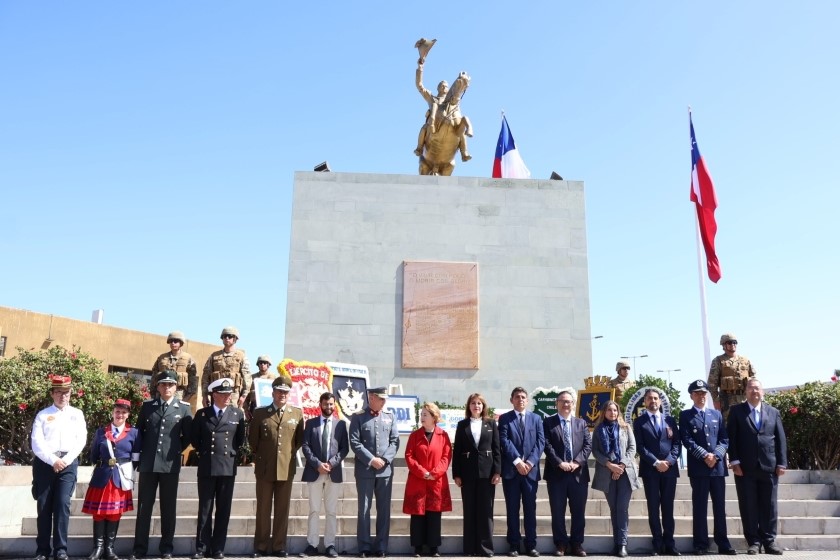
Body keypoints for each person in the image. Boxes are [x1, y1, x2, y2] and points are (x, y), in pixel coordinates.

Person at [131, 370, 193, 560]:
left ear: (176, 387)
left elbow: (187, 437)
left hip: (169, 465)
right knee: (144, 508)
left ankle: (166, 547)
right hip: (148, 464)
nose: (167, 387)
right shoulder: (148, 406)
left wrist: (173, 452)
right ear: (157, 387)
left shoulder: (183, 408)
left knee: (168, 508)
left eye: (171, 384)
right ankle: (139, 548)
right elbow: (139, 432)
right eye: (163, 384)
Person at [727, 378, 787, 555]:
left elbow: (780, 438)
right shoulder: (736, 411)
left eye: (757, 389)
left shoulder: (773, 412)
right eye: (751, 388)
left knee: (769, 506)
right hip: (745, 468)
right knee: (748, 505)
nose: (754, 391)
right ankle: (753, 541)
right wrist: (735, 461)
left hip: (769, 466)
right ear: (746, 392)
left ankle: (769, 541)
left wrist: (782, 462)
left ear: (763, 392)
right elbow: (732, 438)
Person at [30, 375, 87, 560]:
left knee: (63, 505)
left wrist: (66, 460)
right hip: (45, 465)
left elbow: (81, 440)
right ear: (52, 394)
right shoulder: (43, 415)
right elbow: (37, 443)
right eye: (59, 392)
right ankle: (42, 550)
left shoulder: (77, 414)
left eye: (67, 392)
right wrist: (53, 460)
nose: (63, 396)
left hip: (68, 464)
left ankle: (61, 549)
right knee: (44, 507)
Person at [190, 378, 246, 559]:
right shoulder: (202, 414)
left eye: (229, 394)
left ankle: (218, 548)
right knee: (205, 509)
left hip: (227, 467)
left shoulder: (237, 414)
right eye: (224, 394)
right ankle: (202, 548)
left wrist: (229, 454)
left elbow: (239, 440)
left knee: (224, 509)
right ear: (215, 395)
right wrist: (205, 453)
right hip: (207, 466)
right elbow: (195, 439)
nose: (228, 397)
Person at [679, 379, 736, 556]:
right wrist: (705, 455)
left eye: (703, 393)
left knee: (720, 507)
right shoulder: (686, 415)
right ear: (691, 396)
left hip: (717, 468)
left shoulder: (716, 415)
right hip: (699, 468)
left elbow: (724, 439)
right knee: (700, 507)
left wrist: (716, 455)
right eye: (697, 393)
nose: (701, 396)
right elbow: (686, 440)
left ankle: (723, 543)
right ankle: (700, 544)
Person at [249, 376, 304, 558]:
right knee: (263, 509)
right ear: (272, 393)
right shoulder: (260, 413)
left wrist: (284, 456)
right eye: (279, 391)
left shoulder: (297, 414)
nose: (282, 395)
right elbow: (253, 441)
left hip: (286, 468)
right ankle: (261, 546)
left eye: (285, 392)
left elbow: (298, 442)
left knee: (282, 509)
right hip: (265, 469)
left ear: (289, 394)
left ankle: (279, 545)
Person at [82, 398, 140, 560]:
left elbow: (136, 457)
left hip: (120, 477)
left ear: (128, 415)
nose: (119, 415)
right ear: (112, 413)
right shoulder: (101, 432)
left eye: (123, 412)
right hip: (102, 476)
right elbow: (94, 455)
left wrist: (128, 471)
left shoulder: (134, 433)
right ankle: (98, 548)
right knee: (99, 514)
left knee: (115, 514)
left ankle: (109, 549)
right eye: (117, 411)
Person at [349, 386, 400, 558]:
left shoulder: (390, 416)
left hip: (385, 471)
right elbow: (355, 442)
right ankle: (363, 546)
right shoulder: (358, 417)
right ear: (371, 397)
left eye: (385, 399)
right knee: (364, 509)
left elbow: (395, 442)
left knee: (383, 510)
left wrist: (384, 460)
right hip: (365, 470)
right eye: (381, 398)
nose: (384, 401)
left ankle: (381, 546)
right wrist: (372, 460)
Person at [632, 389, 682, 556]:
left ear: (660, 401)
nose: (652, 401)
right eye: (649, 399)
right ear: (644, 402)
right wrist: (656, 462)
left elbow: (676, 444)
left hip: (669, 469)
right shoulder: (639, 422)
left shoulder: (670, 420)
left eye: (655, 398)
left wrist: (669, 461)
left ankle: (670, 543)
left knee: (668, 507)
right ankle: (657, 544)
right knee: (653, 508)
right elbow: (640, 447)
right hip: (650, 470)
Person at [542, 390, 592, 558]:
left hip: (578, 474)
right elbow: (546, 445)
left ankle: (577, 544)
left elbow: (587, 445)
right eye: (562, 401)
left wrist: (577, 462)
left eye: (569, 401)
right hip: (557, 474)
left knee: (578, 511)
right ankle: (561, 543)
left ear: (573, 403)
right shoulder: (548, 422)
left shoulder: (581, 423)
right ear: (556, 403)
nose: (565, 404)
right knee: (557, 511)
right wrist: (560, 463)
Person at [300, 392, 349, 559]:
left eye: (331, 404)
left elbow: (344, 449)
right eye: (326, 404)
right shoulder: (311, 423)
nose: (329, 407)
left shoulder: (341, 425)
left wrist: (331, 463)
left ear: (334, 405)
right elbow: (305, 446)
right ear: (320, 404)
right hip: (314, 472)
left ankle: (330, 545)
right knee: (314, 510)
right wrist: (317, 464)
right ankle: (312, 545)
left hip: (333, 473)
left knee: (331, 511)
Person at [452, 393, 501, 558]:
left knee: (486, 511)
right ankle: (470, 548)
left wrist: (497, 471)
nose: (476, 406)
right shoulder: (462, 425)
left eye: (479, 403)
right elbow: (457, 451)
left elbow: (496, 449)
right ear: (469, 406)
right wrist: (456, 474)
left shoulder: (491, 424)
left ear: (483, 406)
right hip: (467, 474)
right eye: (473, 403)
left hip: (487, 474)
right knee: (470, 510)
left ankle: (485, 548)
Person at [498, 387, 545, 557]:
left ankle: (531, 544)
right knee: (512, 509)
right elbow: (504, 440)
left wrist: (530, 462)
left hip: (530, 472)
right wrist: (517, 461)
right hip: (512, 471)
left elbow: (541, 442)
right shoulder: (504, 419)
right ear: (511, 400)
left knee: (530, 509)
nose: (520, 399)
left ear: (527, 400)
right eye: (517, 397)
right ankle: (514, 545)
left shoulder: (537, 419)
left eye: (523, 397)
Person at [592, 401, 642, 558]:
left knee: (622, 508)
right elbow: (595, 451)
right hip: (607, 473)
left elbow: (632, 448)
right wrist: (609, 465)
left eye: (615, 410)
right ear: (604, 412)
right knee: (614, 509)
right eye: (609, 410)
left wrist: (620, 466)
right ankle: (616, 544)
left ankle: (623, 544)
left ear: (618, 412)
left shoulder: (626, 428)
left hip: (625, 473)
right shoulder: (598, 430)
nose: (612, 413)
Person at [403, 402, 453, 558]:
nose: (422, 417)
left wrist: (435, 473)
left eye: (425, 414)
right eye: (421, 415)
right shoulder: (414, 435)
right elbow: (409, 456)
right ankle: (418, 547)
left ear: (434, 417)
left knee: (434, 515)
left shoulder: (443, 435)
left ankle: (433, 547)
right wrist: (422, 472)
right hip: (418, 480)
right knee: (417, 515)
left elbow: (446, 457)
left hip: (436, 481)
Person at [414, 59, 472, 161]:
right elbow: (419, 85)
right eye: (442, 85)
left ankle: (464, 152)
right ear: (438, 88)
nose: (444, 87)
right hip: (433, 124)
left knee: (461, 129)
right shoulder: (432, 99)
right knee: (424, 127)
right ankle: (419, 148)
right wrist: (420, 68)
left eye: (446, 86)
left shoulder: (453, 102)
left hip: (452, 121)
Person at [708, 333, 757, 420]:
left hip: (745, 399)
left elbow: (754, 380)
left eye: (735, 342)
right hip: (728, 401)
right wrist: (716, 401)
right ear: (723, 345)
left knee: (749, 425)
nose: (733, 345)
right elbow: (712, 384)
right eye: (730, 343)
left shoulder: (745, 360)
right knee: (730, 427)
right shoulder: (718, 361)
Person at [201, 326, 251, 409]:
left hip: (233, 395)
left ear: (235, 339)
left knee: (232, 418)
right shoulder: (214, 356)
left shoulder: (241, 356)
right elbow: (206, 376)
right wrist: (204, 395)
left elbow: (247, 377)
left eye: (230, 336)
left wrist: (244, 395)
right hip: (217, 393)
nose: (227, 338)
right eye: (224, 336)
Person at [151, 330, 198, 408]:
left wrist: (187, 397)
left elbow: (193, 380)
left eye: (176, 341)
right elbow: (154, 376)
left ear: (181, 343)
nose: (173, 343)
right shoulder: (162, 358)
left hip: (179, 394)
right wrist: (153, 394)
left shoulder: (188, 358)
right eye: (171, 341)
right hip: (161, 393)